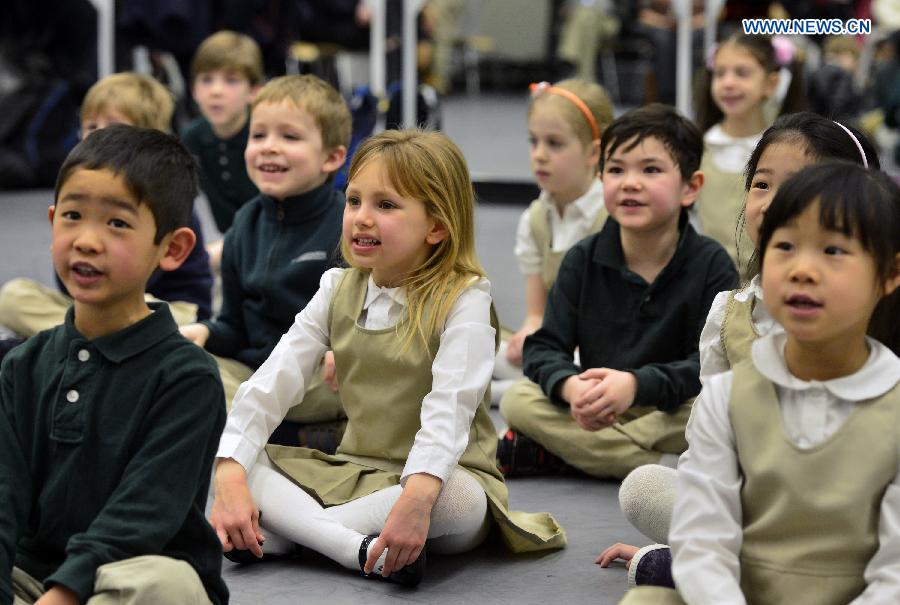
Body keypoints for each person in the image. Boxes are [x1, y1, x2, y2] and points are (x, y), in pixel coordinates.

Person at [209, 129, 565, 584]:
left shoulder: (465, 296)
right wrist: (231, 475)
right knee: (241, 462)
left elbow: (449, 410)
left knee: (458, 499)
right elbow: (271, 383)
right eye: (353, 200)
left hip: (439, 481)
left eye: (386, 205)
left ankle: (291, 536)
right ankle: (351, 548)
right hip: (357, 472)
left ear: (436, 225)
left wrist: (416, 499)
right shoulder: (337, 288)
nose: (361, 217)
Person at [599, 113, 885, 588]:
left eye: (797, 186)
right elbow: (706, 441)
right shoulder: (730, 313)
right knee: (645, 488)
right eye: (762, 184)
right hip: (754, 507)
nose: (771, 203)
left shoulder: (868, 311)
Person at [0, 125, 228, 605]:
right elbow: (4, 501)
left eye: (117, 224)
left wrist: (64, 594)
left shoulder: (188, 378)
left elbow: (142, 515)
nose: (86, 240)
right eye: (73, 215)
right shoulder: (22, 366)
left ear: (173, 248)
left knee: (169, 587)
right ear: (51, 220)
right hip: (33, 578)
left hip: (126, 577)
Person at [497, 103, 739, 479]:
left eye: (651, 169)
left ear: (690, 187)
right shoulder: (583, 259)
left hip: (669, 408)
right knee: (518, 400)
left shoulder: (712, 265)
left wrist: (637, 384)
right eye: (615, 170)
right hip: (598, 404)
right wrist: (571, 387)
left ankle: (570, 452)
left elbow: (710, 366)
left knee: (723, 408)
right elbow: (544, 347)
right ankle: (657, 466)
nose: (629, 182)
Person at [179, 74, 348, 431]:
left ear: (331, 158)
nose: (269, 147)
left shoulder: (347, 224)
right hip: (255, 372)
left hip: (319, 377)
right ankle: (285, 435)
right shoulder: (245, 224)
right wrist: (206, 334)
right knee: (179, 365)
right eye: (259, 135)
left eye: (290, 136)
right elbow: (233, 325)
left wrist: (348, 349)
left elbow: (372, 313)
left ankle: (264, 432)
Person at [0, 73, 214, 340]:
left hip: (162, 307)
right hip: (96, 307)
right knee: (14, 296)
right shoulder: (77, 187)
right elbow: (69, 279)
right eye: (90, 126)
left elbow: (176, 291)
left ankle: (72, 341)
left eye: (113, 128)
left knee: (163, 318)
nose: (98, 135)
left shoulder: (165, 194)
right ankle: (98, 341)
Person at [492, 79, 613, 404]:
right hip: (554, 346)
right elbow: (536, 312)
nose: (540, 155)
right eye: (534, 141)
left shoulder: (612, 217)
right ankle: (530, 387)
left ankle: (498, 392)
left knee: (578, 371)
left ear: (593, 152)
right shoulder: (535, 218)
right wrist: (531, 332)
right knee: (479, 343)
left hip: (599, 352)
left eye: (555, 144)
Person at [694, 33, 807, 275]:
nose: (728, 83)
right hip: (709, 281)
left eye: (742, 73)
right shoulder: (701, 146)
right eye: (720, 73)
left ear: (771, 83)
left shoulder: (784, 150)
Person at [181, 30, 264, 270]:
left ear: (254, 91)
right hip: (227, 244)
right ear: (194, 90)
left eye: (231, 80)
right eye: (206, 79)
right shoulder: (192, 137)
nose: (216, 91)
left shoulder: (266, 135)